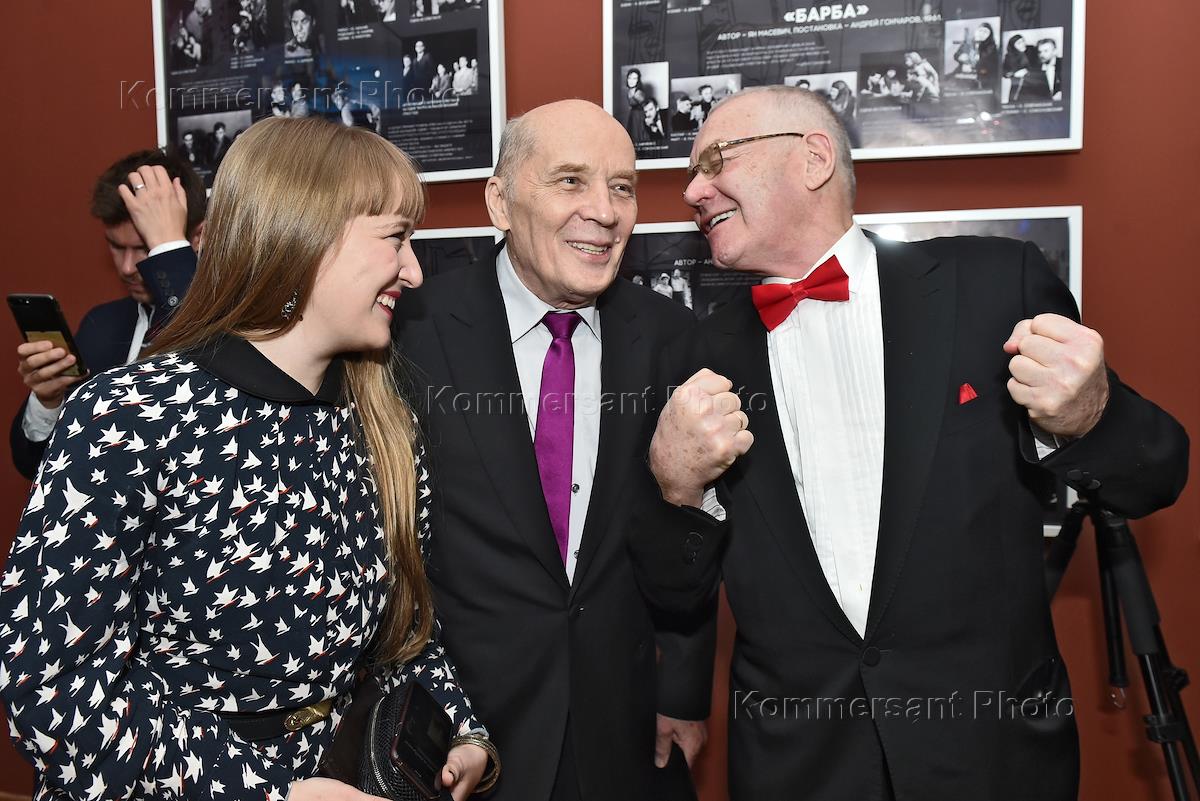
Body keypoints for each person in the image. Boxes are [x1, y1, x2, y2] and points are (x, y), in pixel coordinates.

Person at [629, 86, 1189, 801]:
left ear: (813, 158)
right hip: (799, 767)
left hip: (990, 755)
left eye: (715, 161)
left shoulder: (994, 286)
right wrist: (677, 491)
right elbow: (674, 590)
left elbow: (1157, 475)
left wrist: (1093, 414)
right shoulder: (697, 355)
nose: (691, 191)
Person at [0, 116, 496, 801]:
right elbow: (49, 690)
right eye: (395, 238)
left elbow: (403, 631)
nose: (413, 271)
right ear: (307, 237)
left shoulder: (384, 423)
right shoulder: (131, 414)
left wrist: (462, 729)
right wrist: (270, 792)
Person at [395, 99, 714, 801]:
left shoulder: (669, 336)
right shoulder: (413, 330)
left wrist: (684, 688)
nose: (604, 211)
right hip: (465, 730)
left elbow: (689, 520)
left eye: (623, 187)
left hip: (625, 725)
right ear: (500, 202)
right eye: (571, 180)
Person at [9, 150, 206, 481]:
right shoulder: (100, 324)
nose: (127, 267)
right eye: (116, 246)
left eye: (143, 248)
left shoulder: (233, 326)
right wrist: (47, 400)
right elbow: (33, 467)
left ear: (196, 237)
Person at [1003, 34, 1033, 102]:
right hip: (1017, 83)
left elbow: (1038, 66)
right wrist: (1014, 74)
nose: (1023, 44)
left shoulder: (1031, 50)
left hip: (1033, 81)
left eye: (1023, 41)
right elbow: (1004, 72)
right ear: (1013, 46)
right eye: (1019, 43)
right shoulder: (1009, 57)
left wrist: (1027, 70)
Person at [623, 68, 648, 139]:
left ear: (638, 80)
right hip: (633, 116)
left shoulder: (638, 93)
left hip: (639, 118)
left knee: (638, 136)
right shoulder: (630, 91)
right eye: (630, 78)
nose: (631, 81)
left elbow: (646, 107)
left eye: (634, 78)